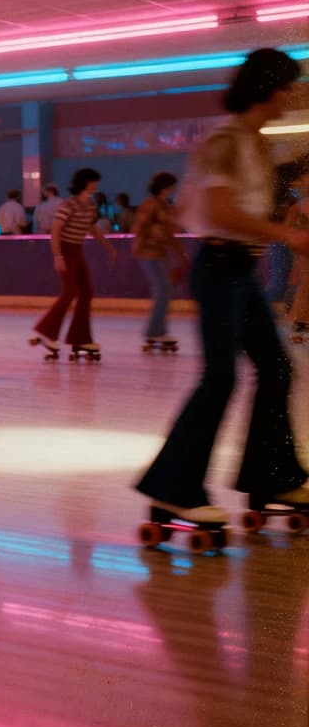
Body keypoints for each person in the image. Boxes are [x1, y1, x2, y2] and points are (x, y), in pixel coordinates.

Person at [136, 49, 309, 530]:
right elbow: (220, 211)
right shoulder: (227, 139)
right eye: (289, 86)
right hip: (217, 267)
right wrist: (287, 236)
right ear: (269, 89)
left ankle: (272, 476)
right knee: (221, 377)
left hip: (239, 270)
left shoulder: (255, 142)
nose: (292, 96)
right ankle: (174, 490)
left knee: (275, 367)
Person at [31, 167, 115, 359]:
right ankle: (46, 332)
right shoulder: (69, 204)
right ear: (85, 182)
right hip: (66, 250)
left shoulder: (90, 205)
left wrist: (108, 246)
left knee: (86, 292)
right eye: (94, 181)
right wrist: (58, 256)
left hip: (77, 251)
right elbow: (56, 230)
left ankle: (80, 337)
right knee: (70, 293)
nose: (96, 185)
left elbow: (91, 228)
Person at [132, 173, 188, 350]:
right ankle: (155, 331)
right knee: (163, 291)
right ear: (164, 187)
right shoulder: (150, 204)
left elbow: (170, 234)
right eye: (171, 185)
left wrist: (180, 255)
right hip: (148, 253)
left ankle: (157, 330)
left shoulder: (165, 206)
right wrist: (147, 240)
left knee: (167, 291)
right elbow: (138, 228)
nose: (173, 189)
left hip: (161, 253)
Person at [286, 159, 309, 341]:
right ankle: (299, 322)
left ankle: (300, 322)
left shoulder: (300, 205)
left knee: (305, 285)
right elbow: (287, 229)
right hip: (304, 249)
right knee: (305, 285)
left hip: (302, 248)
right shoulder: (299, 206)